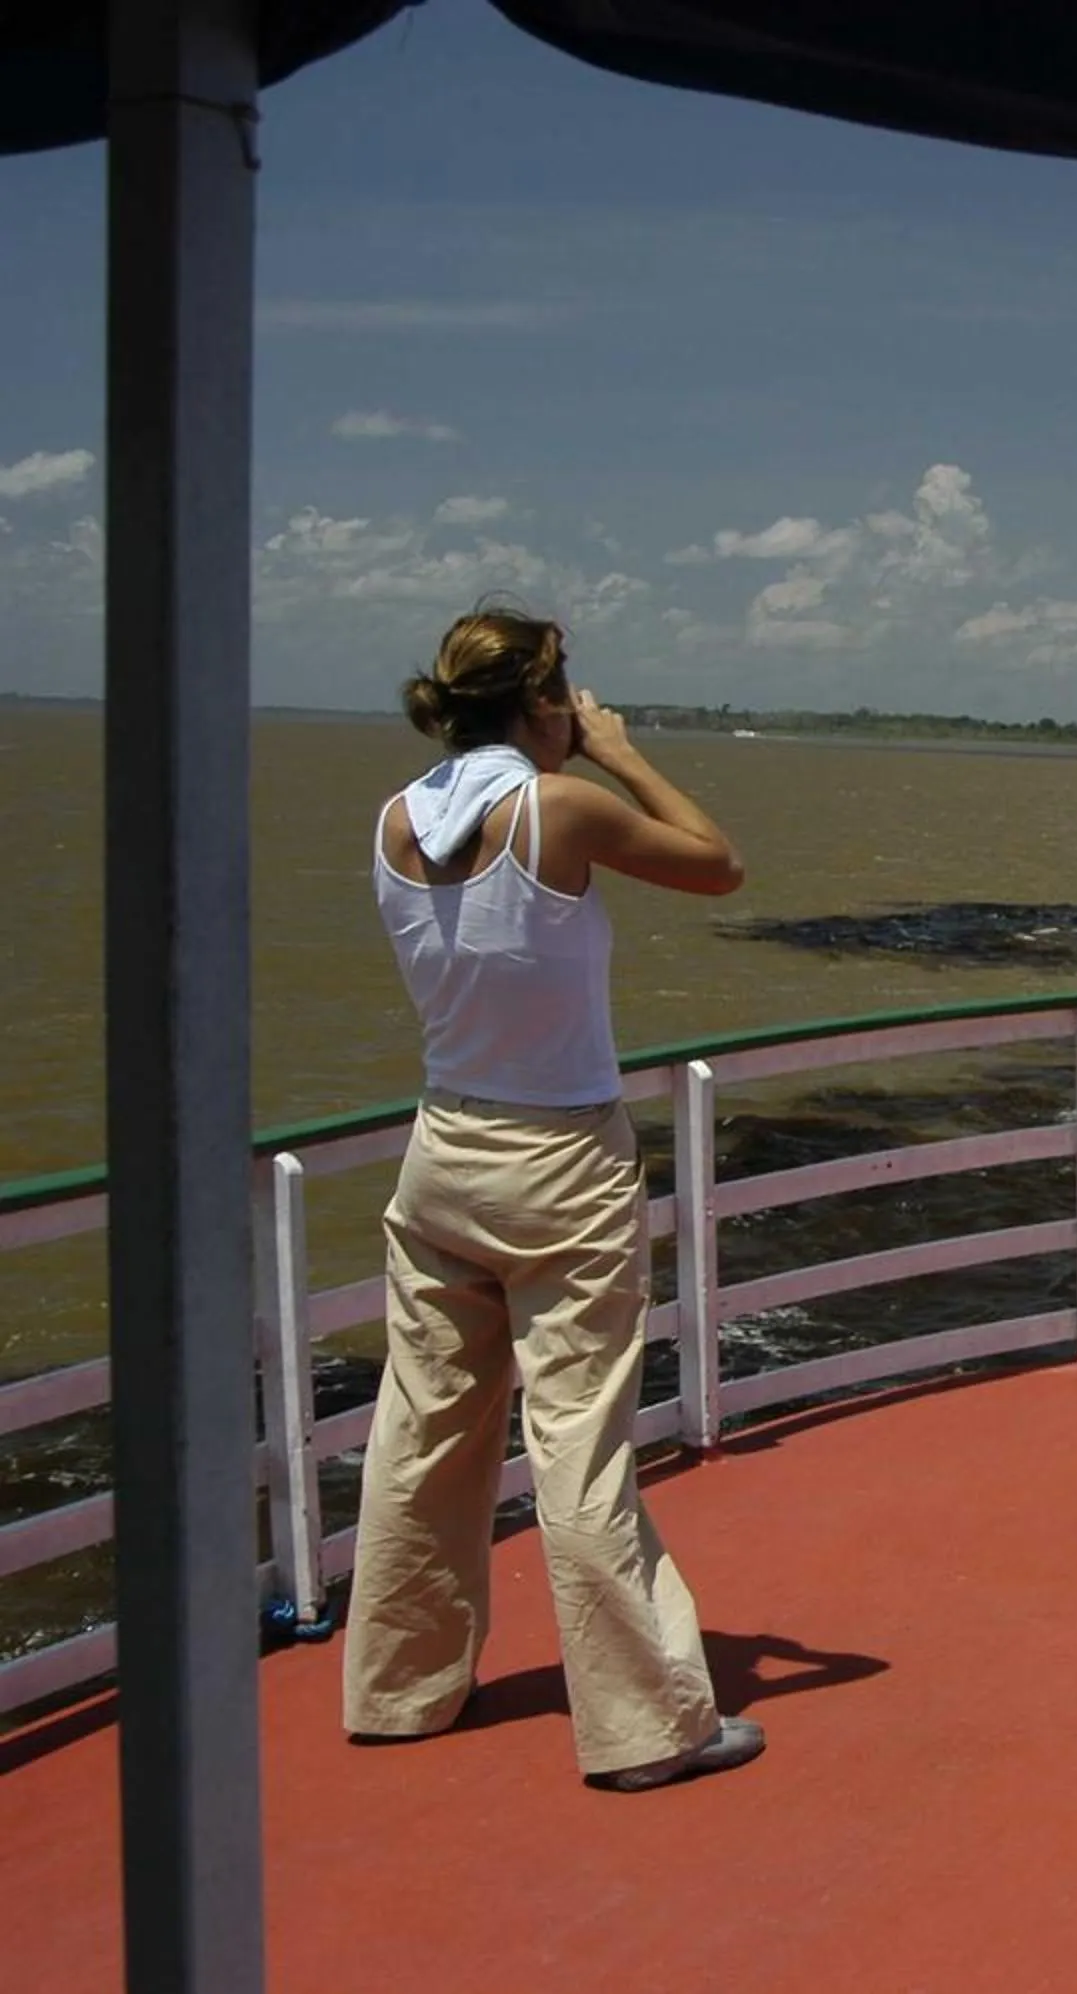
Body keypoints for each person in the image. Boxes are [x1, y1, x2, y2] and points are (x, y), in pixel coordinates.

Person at [344, 602, 761, 1792]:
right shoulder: (559, 805)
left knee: (423, 1431)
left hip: (443, 1149)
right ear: (543, 700)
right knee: (576, 1445)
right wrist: (618, 751)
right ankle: (645, 1725)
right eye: (569, 691)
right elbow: (719, 864)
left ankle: (399, 1688)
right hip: (562, 1159)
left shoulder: (391, 821)